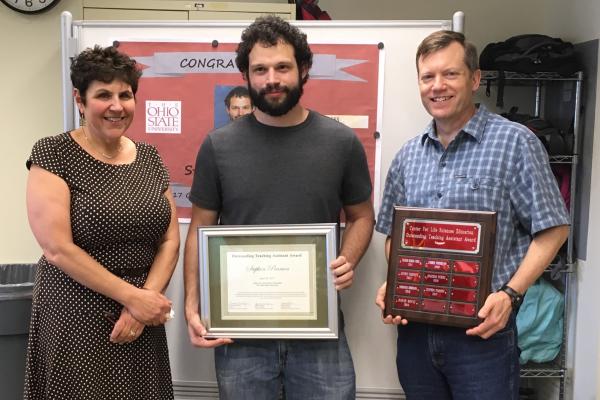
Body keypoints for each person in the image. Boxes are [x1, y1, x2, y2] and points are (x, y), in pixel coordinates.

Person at [184, 15, 375, 399]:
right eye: (260, 69)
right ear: (246, 76)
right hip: (240, 335)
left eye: (283, 67)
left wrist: (348, 259)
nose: (272, 78)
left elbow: (361, 217)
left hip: (319, 332)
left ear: (303, 70)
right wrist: (192, 303)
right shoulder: (218, 146)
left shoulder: (340, 142)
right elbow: (199, 229)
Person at [374, 31, 569, 400]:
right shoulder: (407, 156)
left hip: (483, 334)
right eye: (427, 76)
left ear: (475, 79)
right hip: (415, 334)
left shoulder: (515, 142)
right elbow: (393, 238)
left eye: (450, 74)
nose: (437, 86)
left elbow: (553, 229)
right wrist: (397, 282)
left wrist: (511, 294)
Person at [24, 45, 179, 399]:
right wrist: (133, 299)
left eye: (125, 94)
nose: (116, 105)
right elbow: (57, 248)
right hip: (75, 312)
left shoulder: (150, 157)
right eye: (103, 94)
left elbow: (169, 239)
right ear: (80, 100)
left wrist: (145, 301)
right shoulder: (53, 154)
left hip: (141, 316)